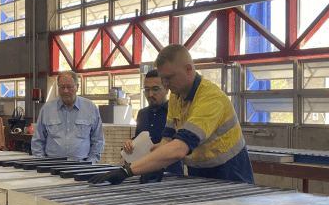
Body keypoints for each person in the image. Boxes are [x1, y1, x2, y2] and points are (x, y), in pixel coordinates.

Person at [89, 44, 254, 185]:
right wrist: (151, 164)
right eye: (163, 78)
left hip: (230, 174)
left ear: (188, 69)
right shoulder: (177, 96)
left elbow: (179, 148)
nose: (165, 84)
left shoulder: (210, 99)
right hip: (199, 173)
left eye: (169, 78)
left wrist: (127, 171)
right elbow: (167, 140)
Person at [31, 70, 104, 163]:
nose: (65, 91)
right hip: (51, 166)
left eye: (69, 87)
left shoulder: (90, 108)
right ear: (58, 87)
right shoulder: (47, 109)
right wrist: (42, 162)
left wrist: (89, 164)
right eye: (62, 87)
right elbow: (38, 140)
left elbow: (98, 140)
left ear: (77, 87)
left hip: (81, 166)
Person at [123, 69, 183, 176]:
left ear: (166, 89)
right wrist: (131, 144)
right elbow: (140, 138)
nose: (150, 94)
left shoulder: (176, 112)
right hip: (144, 173)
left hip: (170, 175)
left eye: (155, 89)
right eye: (147, 89)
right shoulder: (142, 114)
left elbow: (182, 145)